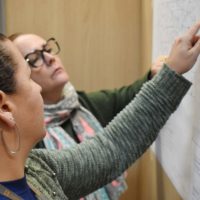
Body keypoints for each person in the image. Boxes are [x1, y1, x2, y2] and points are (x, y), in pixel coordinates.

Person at [0, 22, 199, 200]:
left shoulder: (37, 170)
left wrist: (171, 71)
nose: (38, 89)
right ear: (4, 107)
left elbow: (108, 150)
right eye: (28, 79)